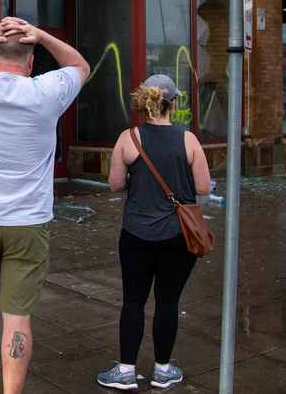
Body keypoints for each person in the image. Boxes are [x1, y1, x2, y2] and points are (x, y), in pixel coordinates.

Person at [0, 17, 89, 394]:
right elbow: (80, 66)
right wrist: (42, 35)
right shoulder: (46, 92)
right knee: (17, 319)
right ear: (30, 61)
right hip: (28, 223)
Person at [97, 74, 212, 390]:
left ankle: (125, 371)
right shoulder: (188, 140)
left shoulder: (128, 138)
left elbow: (115, 184)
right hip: (178, 237)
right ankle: (162, 371)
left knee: (133, 299)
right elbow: (202, 187)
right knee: (168, 301)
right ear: (172, 104)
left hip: (136, 234)